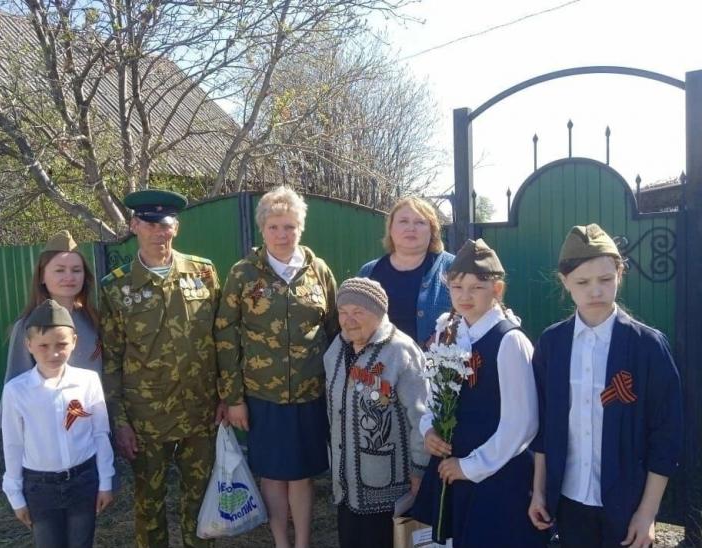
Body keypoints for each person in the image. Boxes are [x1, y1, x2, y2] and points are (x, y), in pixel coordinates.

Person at [527, 224, 682, 548]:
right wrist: (540, 491)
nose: (595, 291)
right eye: (583, 282)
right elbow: (543, 425)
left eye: (605, 279)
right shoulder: (553, 344)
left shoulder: (648, 347)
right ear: (565, 281)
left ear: (620, 274)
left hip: (626, 506)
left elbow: (666, 436)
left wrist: (647, 513)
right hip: (569, 502)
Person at [215, 186, 338, 548]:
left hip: (309, 392)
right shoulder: (243, 274)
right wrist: (233, 397)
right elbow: (226, 336)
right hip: (262, 395)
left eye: (289, 226)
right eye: (274, 227)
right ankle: (280, 540)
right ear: (262, 229)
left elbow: (332, 329)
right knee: (272, 474)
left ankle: (302, 541)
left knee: (301, 475)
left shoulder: (319, 271)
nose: (282, 235)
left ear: (301, 227)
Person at [100, 190, 224, 548]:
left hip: (200, 413)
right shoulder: (116, 287)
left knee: (200, 501)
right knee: (149, 504)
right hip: (146, 419)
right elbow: (112, 360)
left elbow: (221, 339)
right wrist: (120, 421)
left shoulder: (203, 273)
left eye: (165, 224)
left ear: (176, 227)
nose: (158, 231)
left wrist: (225, 396)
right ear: (134, 225)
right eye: (149, 223)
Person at [410, 239, 546, 548]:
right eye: (457, 287)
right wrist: (428, 427)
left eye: (477, 287)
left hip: (496, 473)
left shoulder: (509, 341)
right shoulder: (449, 330)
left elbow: (522, 424)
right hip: (455, 467)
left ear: (497, 290)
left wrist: (470, 467)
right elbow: (435, 392)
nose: (465, 296)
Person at [323, 277, 429, 548]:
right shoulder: (336, 349)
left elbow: (421, 417)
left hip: (388, 487)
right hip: (346, 485)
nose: (349, 320)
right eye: (343, 312)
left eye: (358, 312)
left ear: (379, 313)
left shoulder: (400, 350)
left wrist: (420, 471)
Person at [0, 299, 114, 548]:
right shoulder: (16, 391)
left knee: (81, 542)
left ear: (74, 342)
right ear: (28, 345)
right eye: (43, 345)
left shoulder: (88, 381)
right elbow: (13, 444)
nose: (53, 353)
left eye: (61, 344)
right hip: (41, 488)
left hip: (83, 481)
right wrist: (15, 495)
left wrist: (105, 481)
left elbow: (100, 433)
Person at [0, 230, 101, 427]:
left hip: (93, 425)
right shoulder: (29, 325)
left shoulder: (94, 320)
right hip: (49, 429)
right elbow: (16, 382)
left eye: (76, 270)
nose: (69, 277)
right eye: (60, 270)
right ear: (42, 277)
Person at [357, 196, 454, 348]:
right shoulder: (368, 272)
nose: (411, 228)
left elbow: (472, 316)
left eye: (420, 222)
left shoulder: (452, 267)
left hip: (432, 367)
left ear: (432, 230)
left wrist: (447, 334)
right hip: (378, 367)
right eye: (403, 221)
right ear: (391, 229)